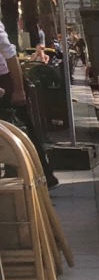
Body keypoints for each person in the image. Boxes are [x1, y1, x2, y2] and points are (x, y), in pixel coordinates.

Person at [0, 19, 58, 187]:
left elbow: (10, 55)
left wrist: (18, 90)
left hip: (7, 78)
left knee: (20, 128)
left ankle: (44, 176)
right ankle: (14, 175)